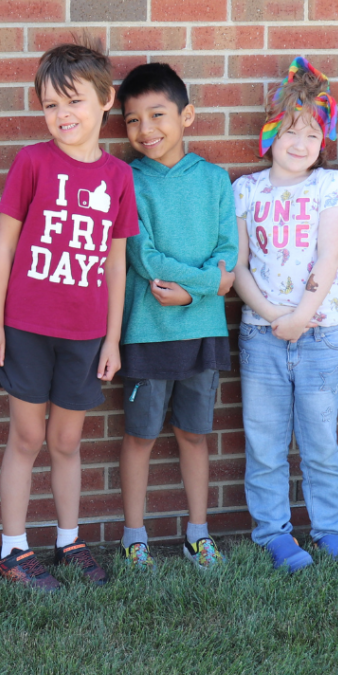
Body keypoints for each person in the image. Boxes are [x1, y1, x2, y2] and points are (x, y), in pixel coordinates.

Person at [0, 41, 138, 591]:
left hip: (86, 332)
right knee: (26, 437)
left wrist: (113, 340)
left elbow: (116, 265)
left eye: (74, 102)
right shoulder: (33, 162)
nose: (62, 116)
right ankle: (12, 548)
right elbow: (4, 249)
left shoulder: (118, 176)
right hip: (26, 326)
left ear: (106, 101)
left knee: (67, 440)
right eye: (50, 105)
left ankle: (69, 539)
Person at [232, 57, 338, 571]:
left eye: (311, 133)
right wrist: (269, 314)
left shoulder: (330, 186)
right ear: (270, 134)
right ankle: (274, 534)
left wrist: (302, 316)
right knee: (265, 445)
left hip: (320, 335)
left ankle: (330, 530)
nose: (300, 144)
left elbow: (329, 257)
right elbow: (237, 267)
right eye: (288, 131)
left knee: (320, 443)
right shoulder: (246, 190)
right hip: (261, 337)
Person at [116, 63, 238, 571]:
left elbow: (227, 253)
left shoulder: (214, 179)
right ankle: (134, 535)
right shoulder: (125, 177)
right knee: (141, 435)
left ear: (187, 116)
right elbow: (143, 258)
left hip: (202, 329)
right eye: (131, 120)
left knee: (194, 433)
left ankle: (198, 533)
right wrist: (210, 283)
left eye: (158, 115)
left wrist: (194, 295)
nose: (145, 130)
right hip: (146, 329)